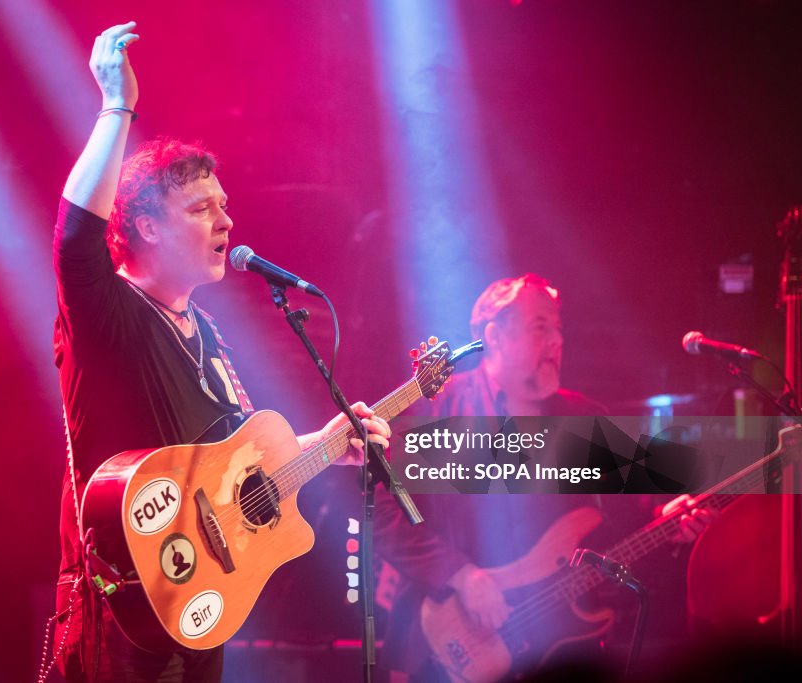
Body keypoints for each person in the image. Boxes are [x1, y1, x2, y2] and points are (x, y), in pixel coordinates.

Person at [47, 23, 391, 683]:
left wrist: (328, 442)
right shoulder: (108, 311)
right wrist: (116, 108)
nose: (227, 222)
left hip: (200, 607)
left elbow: (238, 473)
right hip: (121, 611)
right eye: (202, 209)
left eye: (224, 206)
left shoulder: (208, 333)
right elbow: (73, 240)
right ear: (147, 224)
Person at [377, 274, 709, 682]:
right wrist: (458, 574)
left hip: (558, 646)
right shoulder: (440, 409)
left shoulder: (583, 417)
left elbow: (629, 509)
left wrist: (666, 516)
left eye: (558, 328)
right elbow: (380, 510)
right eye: (541, 327)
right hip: (441, 647)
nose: (556, 340)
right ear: (495, 335)